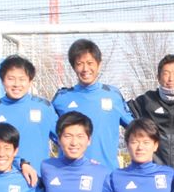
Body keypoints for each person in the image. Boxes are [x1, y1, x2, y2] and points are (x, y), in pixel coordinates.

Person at [51, 39, 134, 171]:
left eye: (90, 63)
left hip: (106, 174)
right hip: (70, 174)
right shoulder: (62, 98)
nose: (85, 69)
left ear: (99, 64)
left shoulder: (113, 95)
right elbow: (48, 129)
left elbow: (135, 128)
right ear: (73, 67)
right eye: (79, 64)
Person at [0, 54, 58, 171]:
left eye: (22, 79)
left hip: (37, 181)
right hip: (3, 179)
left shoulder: (44, 107)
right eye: (11, 79)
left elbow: (63, 140)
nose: (16, 84)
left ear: (30, 81)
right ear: (2, 81)